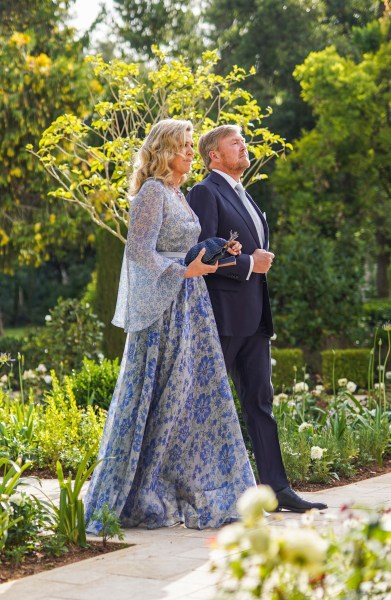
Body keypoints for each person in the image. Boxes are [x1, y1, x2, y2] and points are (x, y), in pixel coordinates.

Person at [84, 119, 256, 532]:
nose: (189, 153)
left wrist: (212, 251)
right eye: (183, 145)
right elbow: (139, 252)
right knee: (160, 395)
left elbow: (182, 248)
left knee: (196, 397)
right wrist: (182, 270)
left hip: (192, 305)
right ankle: (135, 495)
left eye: (191, 145)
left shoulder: (178, 194)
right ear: (164, 150)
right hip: (164, 309)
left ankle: (203, 492)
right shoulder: (151, 193)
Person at [187, 125, 327, 513]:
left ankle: (277, 491)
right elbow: (199, 257)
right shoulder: (204, 192)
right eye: (235, 142)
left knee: (260, 405)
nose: (243, 146)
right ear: (213, 155)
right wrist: (249, 262)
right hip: (222, 318)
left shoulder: (247, 196)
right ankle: (203, 497)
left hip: (255, 319)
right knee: (210, 407)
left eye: (243, 141)